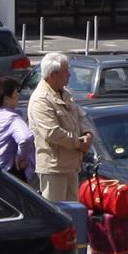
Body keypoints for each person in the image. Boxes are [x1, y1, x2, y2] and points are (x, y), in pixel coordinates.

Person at [27, 53, 93, 200]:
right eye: (65, 71)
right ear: (53, 75)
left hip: (72, 166)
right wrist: (79, 143)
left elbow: (81, 115)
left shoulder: (65, 93)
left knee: (73, 214)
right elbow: (52, 133)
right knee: (58, 215)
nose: (69, 74)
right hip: (54, 168)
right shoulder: (41, 99)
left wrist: (88, 134)